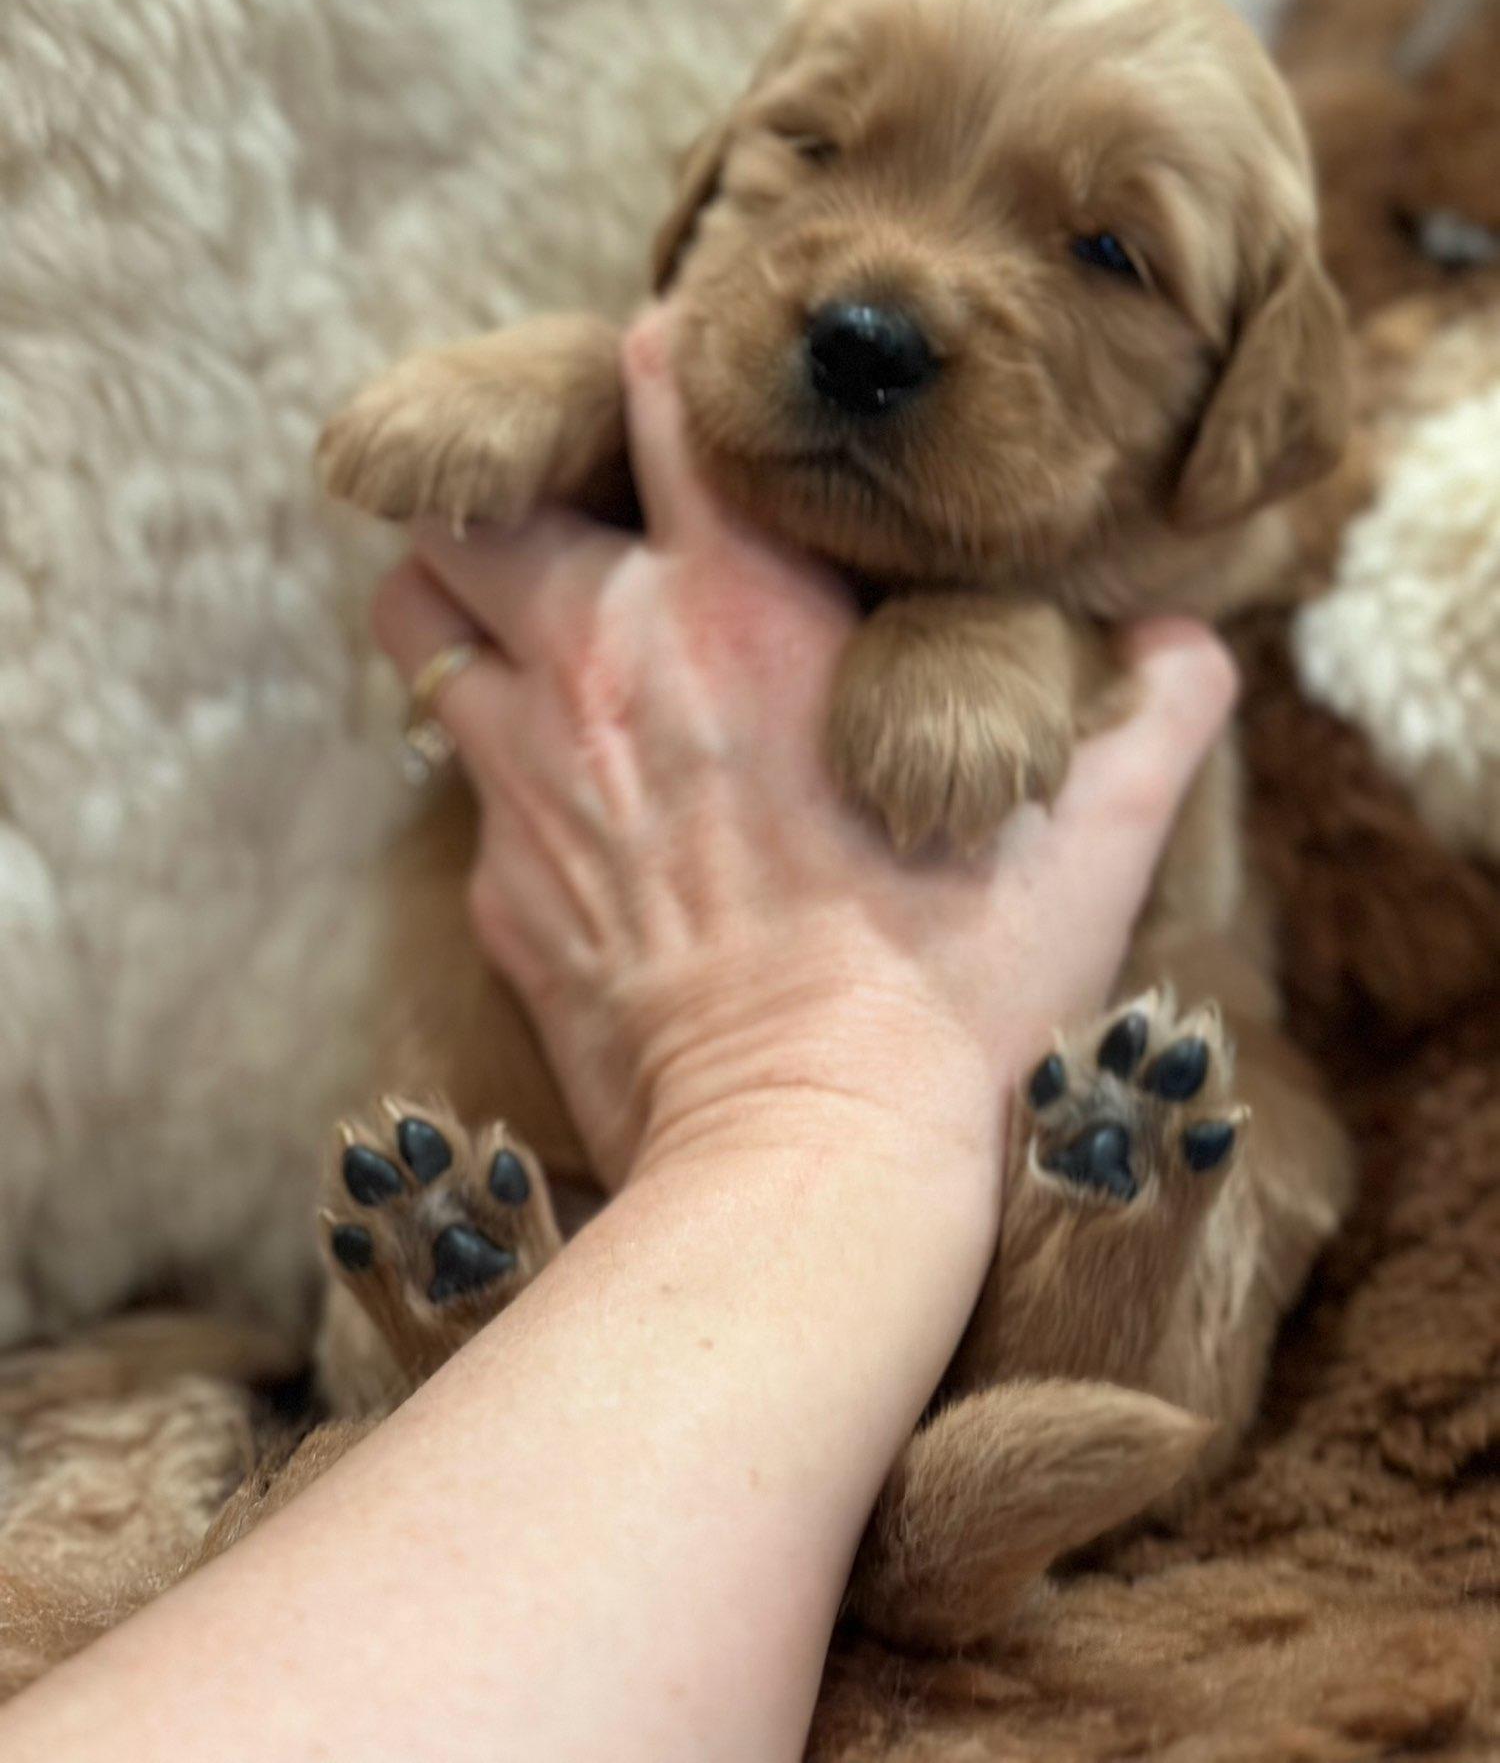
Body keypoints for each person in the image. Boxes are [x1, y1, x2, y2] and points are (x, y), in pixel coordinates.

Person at [0, 309, 1235, 1763]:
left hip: (941, 1328)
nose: (883, 306)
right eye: (816, 173)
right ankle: (484, 1329)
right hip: (658, 1322)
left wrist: (986, 636)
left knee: (1242, 1113)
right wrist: (578, 390)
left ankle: (1091, 1266)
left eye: (1099, 259)